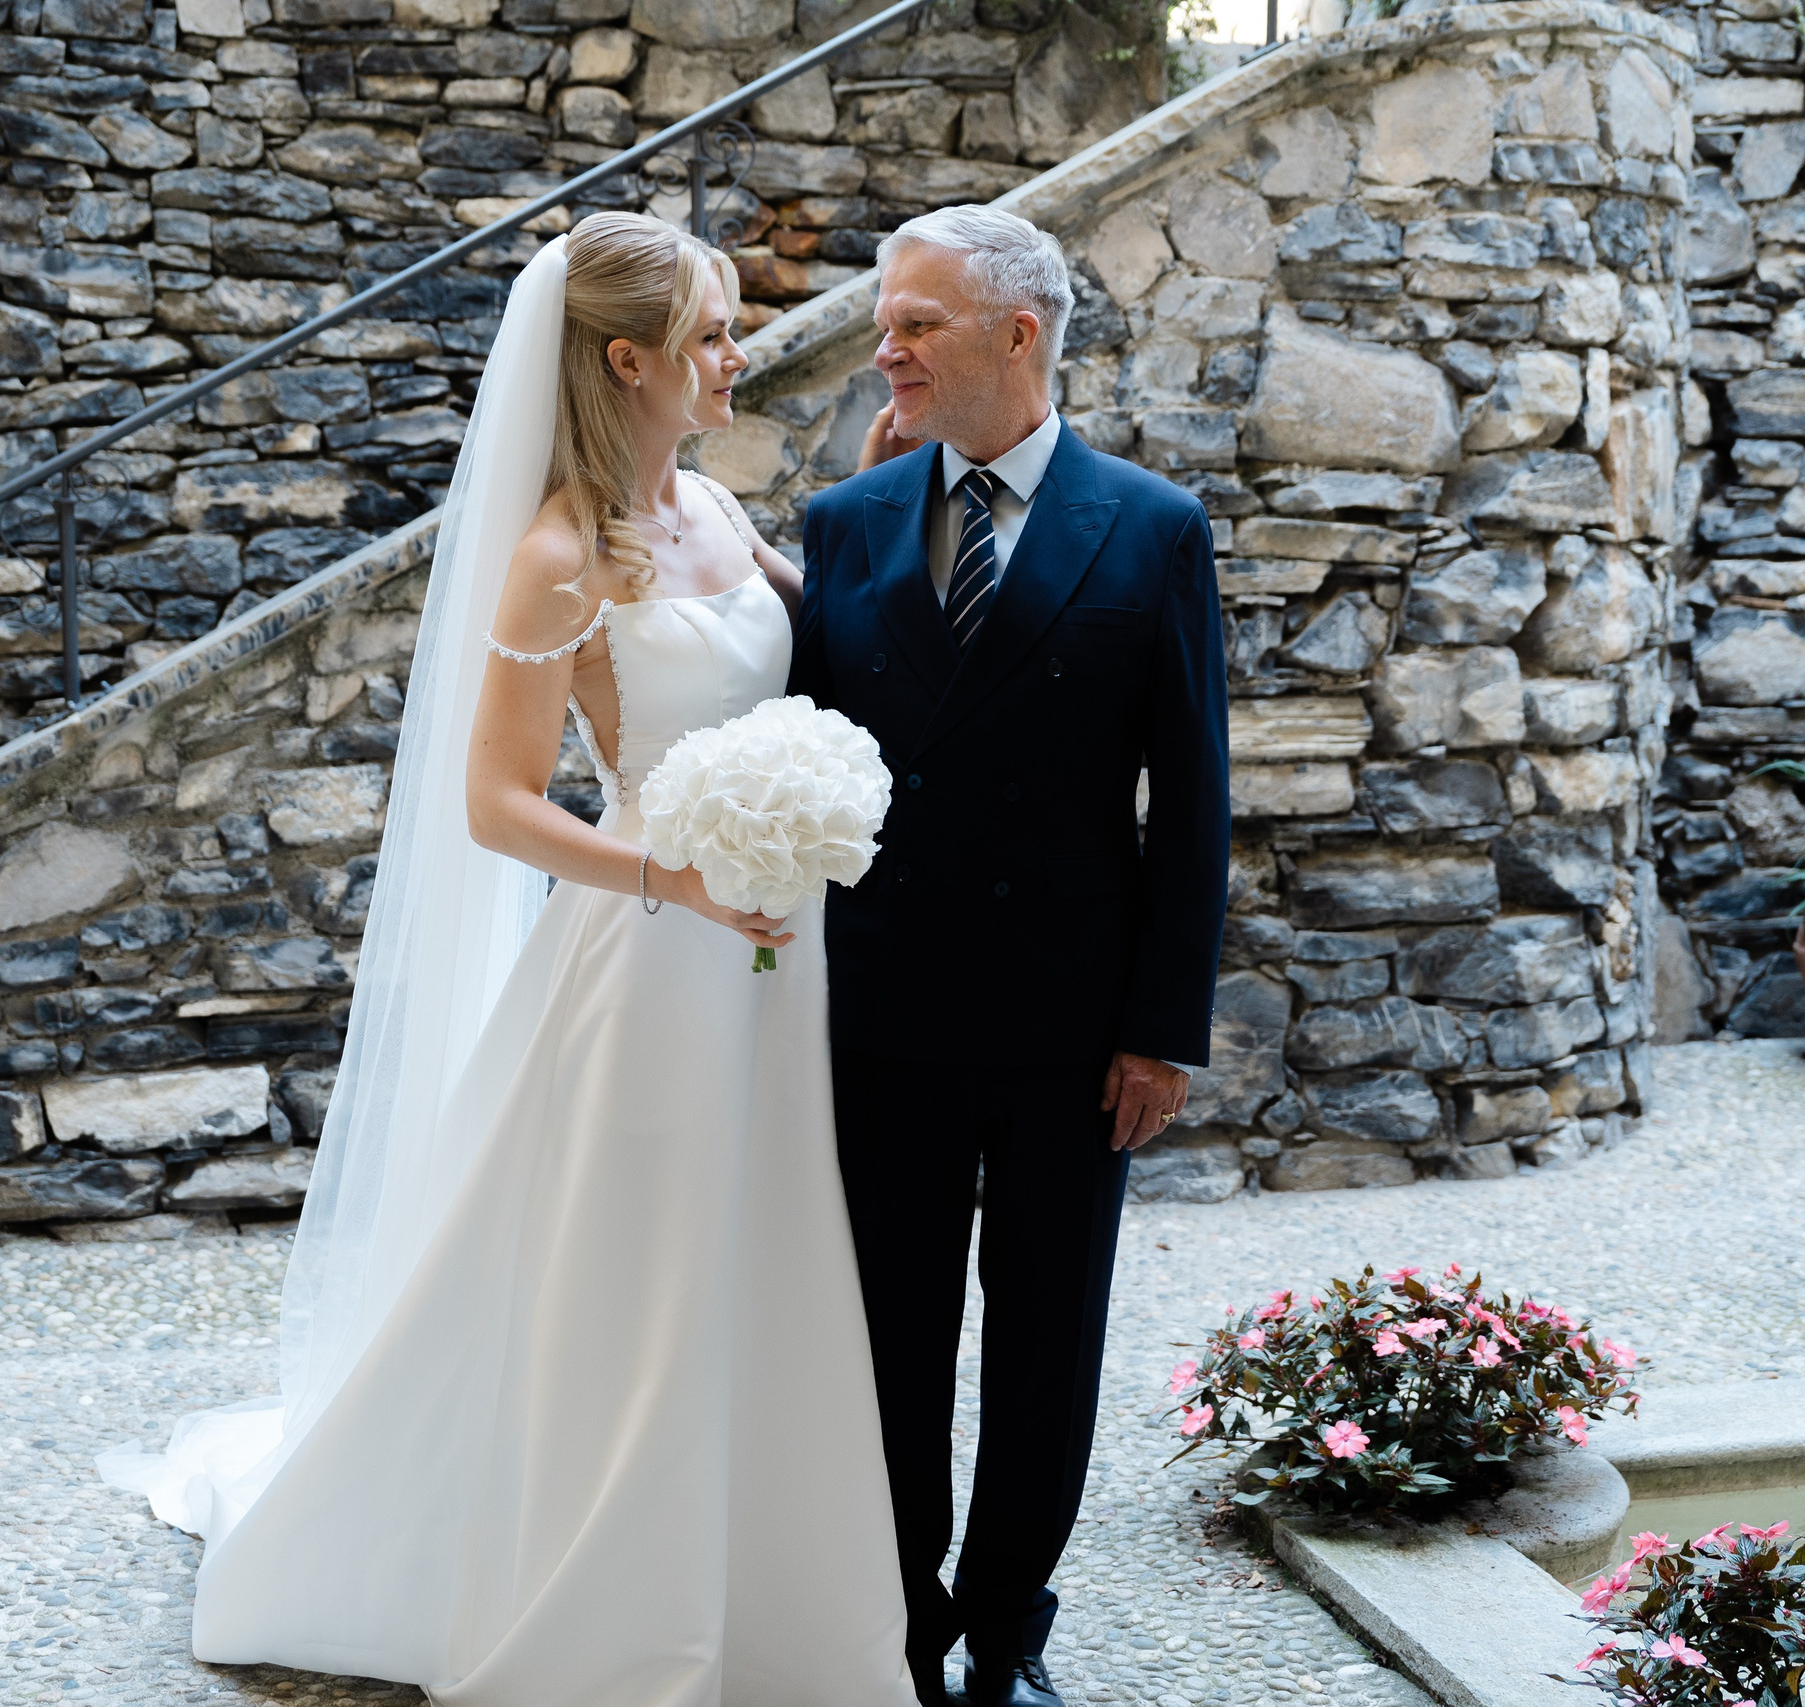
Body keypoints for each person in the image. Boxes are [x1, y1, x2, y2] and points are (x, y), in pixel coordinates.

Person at [98, 213, 919, 1706]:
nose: (739, 357)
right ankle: (617, 1611)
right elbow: (497, 803)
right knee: (646, 1279)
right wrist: (673, 870)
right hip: (652, 963)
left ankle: (772, 1595)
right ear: (627, 361)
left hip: (774, 961)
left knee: (768, 1259)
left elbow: (829, 650)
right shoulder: (558, 553)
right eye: (713, 337)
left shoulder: (722, 514)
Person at [788, 205, 1231, 1707]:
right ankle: (899, 1627)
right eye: (887, 321)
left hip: (1072, 1027)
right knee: (893, 1341)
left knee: (1047, 1343)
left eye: (914, 322)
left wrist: (1162, 1027)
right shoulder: (843, 524)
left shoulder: (1154, 527)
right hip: (883, 1019)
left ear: (1018, 335)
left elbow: (1193, 797)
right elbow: (805, 762)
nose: (885, 348)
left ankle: (1008, 1640)